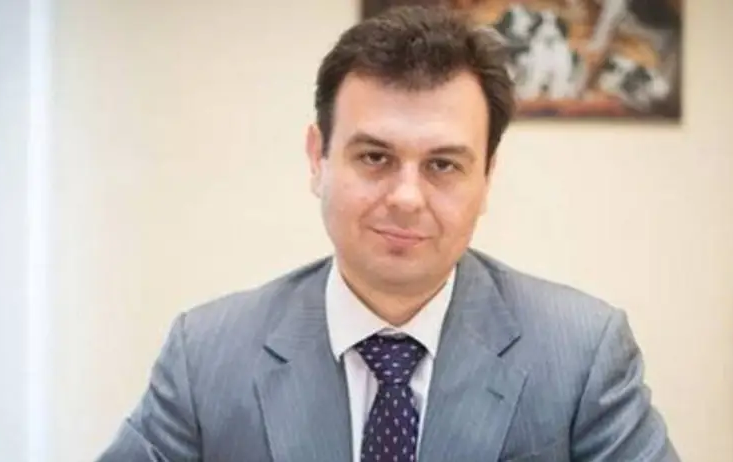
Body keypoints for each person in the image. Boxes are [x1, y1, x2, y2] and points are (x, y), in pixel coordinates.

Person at [97, 5, 679, 462]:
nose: (406, 197)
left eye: (443, 165)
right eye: (375, 157)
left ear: (487, 177)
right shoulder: (206, 356)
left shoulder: (581, 355)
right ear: (318, 158)